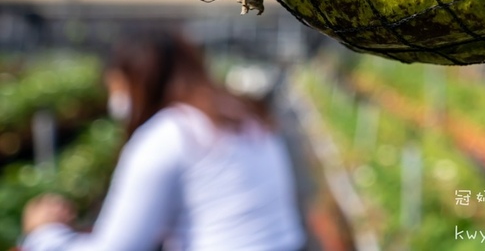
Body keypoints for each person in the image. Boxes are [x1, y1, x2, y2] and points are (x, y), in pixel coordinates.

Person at [20, 29, 307, 251]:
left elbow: (117, 248)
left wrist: (45, 233)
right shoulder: (244, 117)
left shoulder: (169, 134)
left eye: (116, 86)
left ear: (136, 81)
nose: (115, 99)